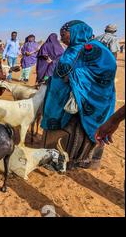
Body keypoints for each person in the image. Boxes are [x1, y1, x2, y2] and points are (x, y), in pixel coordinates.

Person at [41, 20, 117, 170]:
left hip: (85, 100)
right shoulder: (72, 49)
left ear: (77, 32)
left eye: (64, 34)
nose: (62, 38)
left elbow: (107, 70)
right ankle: (58, 158)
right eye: (61, 35)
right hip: (65, 99)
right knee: (64, 130)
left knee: (77, 131)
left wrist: (76, 76)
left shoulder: (95, 48)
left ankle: (77, 161)